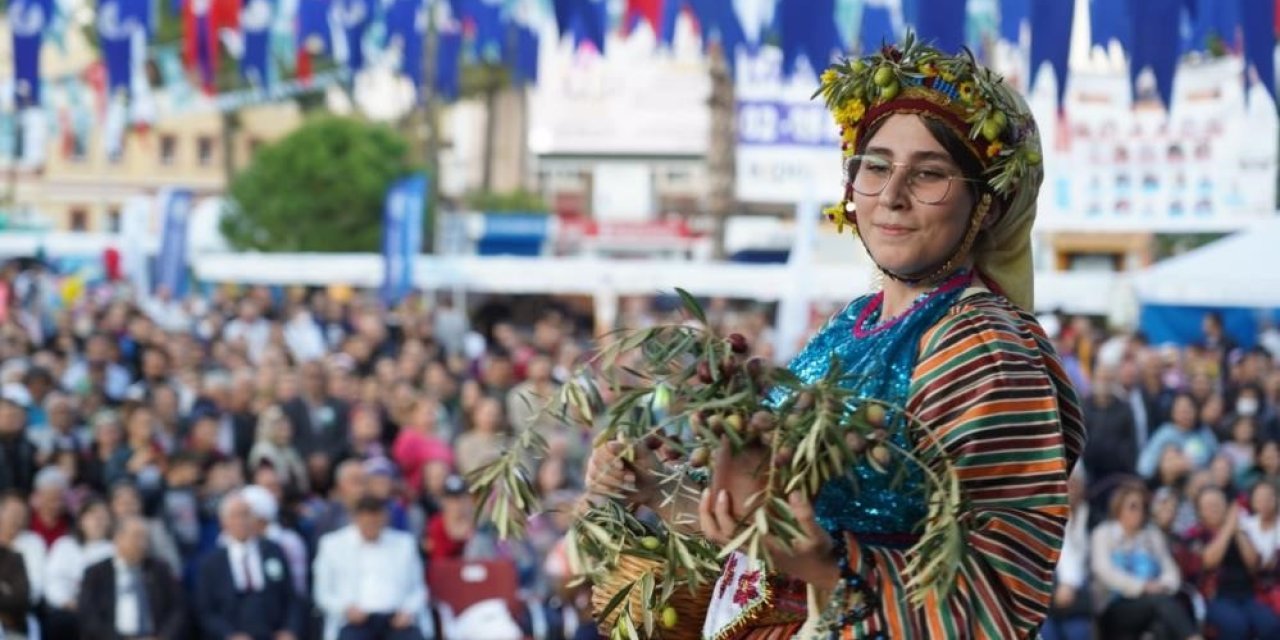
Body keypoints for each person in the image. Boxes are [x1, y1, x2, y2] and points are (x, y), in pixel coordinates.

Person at [586, 36, 1085, 638]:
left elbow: (999, 595)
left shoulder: (981, 348)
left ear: (987, 206)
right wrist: (656, 486)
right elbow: (763, 541)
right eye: (875, 167)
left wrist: (826, 565)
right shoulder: (852, 322)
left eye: (929, 174)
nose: (892, 197)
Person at [312, 496, 428, 640]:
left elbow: (418, 589)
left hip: (396, 618)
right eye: (367, 524)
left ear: (384, 519)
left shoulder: (404, 544)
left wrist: (408, 611)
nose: (371, 528)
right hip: (353, 620)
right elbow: (322, 593)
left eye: (376, 523)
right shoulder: (332, 545)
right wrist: (344, 609)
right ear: (355, 519)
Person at [195, 491, 304, 640]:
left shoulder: (273, 551)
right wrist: (228, 634)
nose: (242, 521)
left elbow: (290, 596)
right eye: (236, 516)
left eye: (246, 514)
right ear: (223, 522)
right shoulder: (211, 563)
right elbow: (205, 611)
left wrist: (289, 630)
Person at [78, 515, 189, 640]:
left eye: (146, 538)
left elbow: (178, 609)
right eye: (137, 537)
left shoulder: (160, 570)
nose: (143, 543)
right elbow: (89, 617)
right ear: (118, 539)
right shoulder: (96, 573)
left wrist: (162, 637)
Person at [43, 498, 115, 639]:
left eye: (103, 517)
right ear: (81, 520)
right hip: (68, 610)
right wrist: (66, 602)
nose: (98, 521)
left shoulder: (114, 550)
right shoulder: (64, 545)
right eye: (93, 516)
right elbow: (53, 580)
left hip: (102, 614)